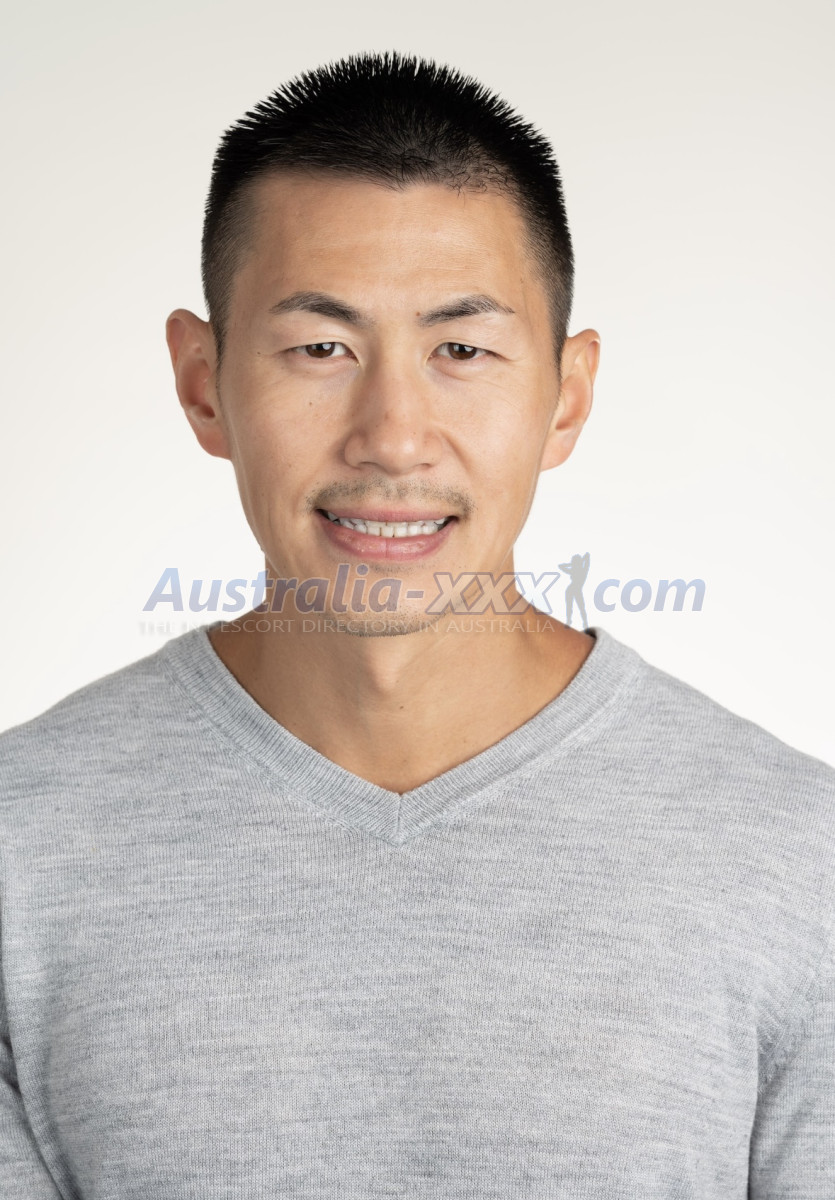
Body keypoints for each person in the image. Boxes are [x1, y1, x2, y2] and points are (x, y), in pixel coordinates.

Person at [1, 50, 833, 1200]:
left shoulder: (801, 861)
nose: (392, 436)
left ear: (565, 397)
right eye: (320, 348)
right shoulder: (21, 857)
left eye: (461, 350)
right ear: (203, 383)